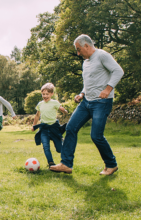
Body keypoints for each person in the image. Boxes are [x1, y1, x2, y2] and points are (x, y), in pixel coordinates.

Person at [50, 34, 124, 175]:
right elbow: (89, 81)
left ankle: (111, 164)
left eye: (78, 49)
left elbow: (118, 71)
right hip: (86, 102)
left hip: (101, 103)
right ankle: (66, 164)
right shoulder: (86, 62)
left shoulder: (102, 55)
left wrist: (108, 89)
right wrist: (82, 93)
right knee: (70, 128)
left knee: (96, 135)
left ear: (86, 46)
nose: (78, 53)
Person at [31, 83, 68, 168]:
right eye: (43, 94)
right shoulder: (40, 104)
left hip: (53, 128)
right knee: (45, 146)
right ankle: (51, 163)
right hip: (44, 128)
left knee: (59, 149)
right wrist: (34, 125)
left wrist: (64, 111)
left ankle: (65, 160)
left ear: (51, 94)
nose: (45, 96)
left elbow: (61, 108)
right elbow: (37, 115)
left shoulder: (54, 103)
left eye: (47, 94)